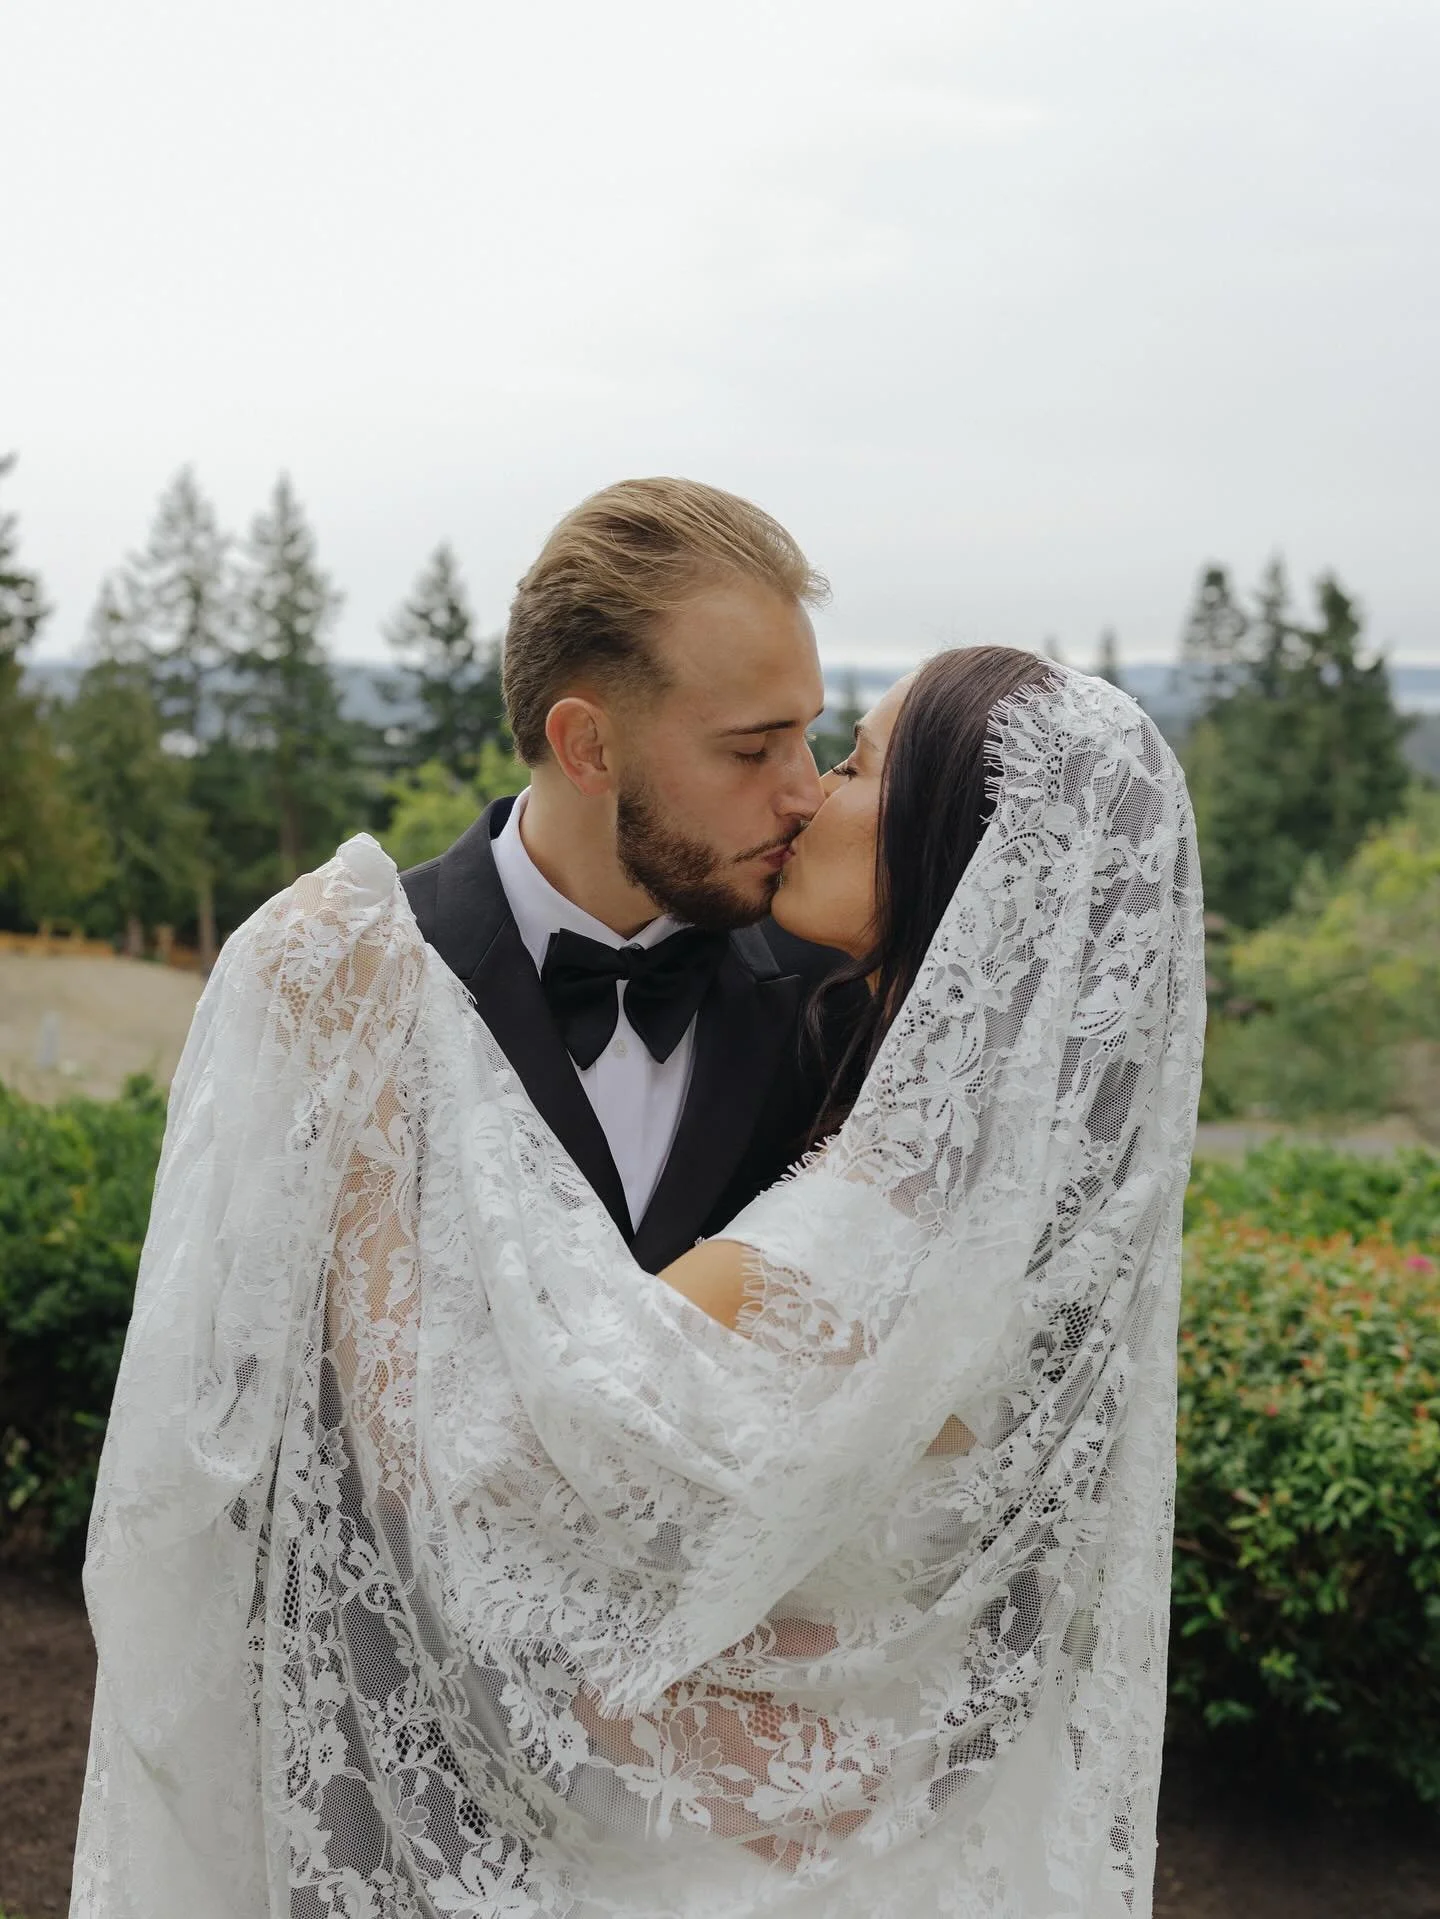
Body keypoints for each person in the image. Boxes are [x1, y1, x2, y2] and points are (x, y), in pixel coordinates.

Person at [71, 633, 1204, 1916]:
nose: (810, 791)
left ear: (969, 858)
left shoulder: (850, 1251)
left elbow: (479, 1469)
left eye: (856, 763)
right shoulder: (1026, 1242)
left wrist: (364, 1060)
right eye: (777, 747)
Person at [400, 478, 855, 1272]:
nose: (806, 794)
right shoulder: (371, 981)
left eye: (808, 736)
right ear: (588, 748)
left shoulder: (838, 993)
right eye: (752, 749)